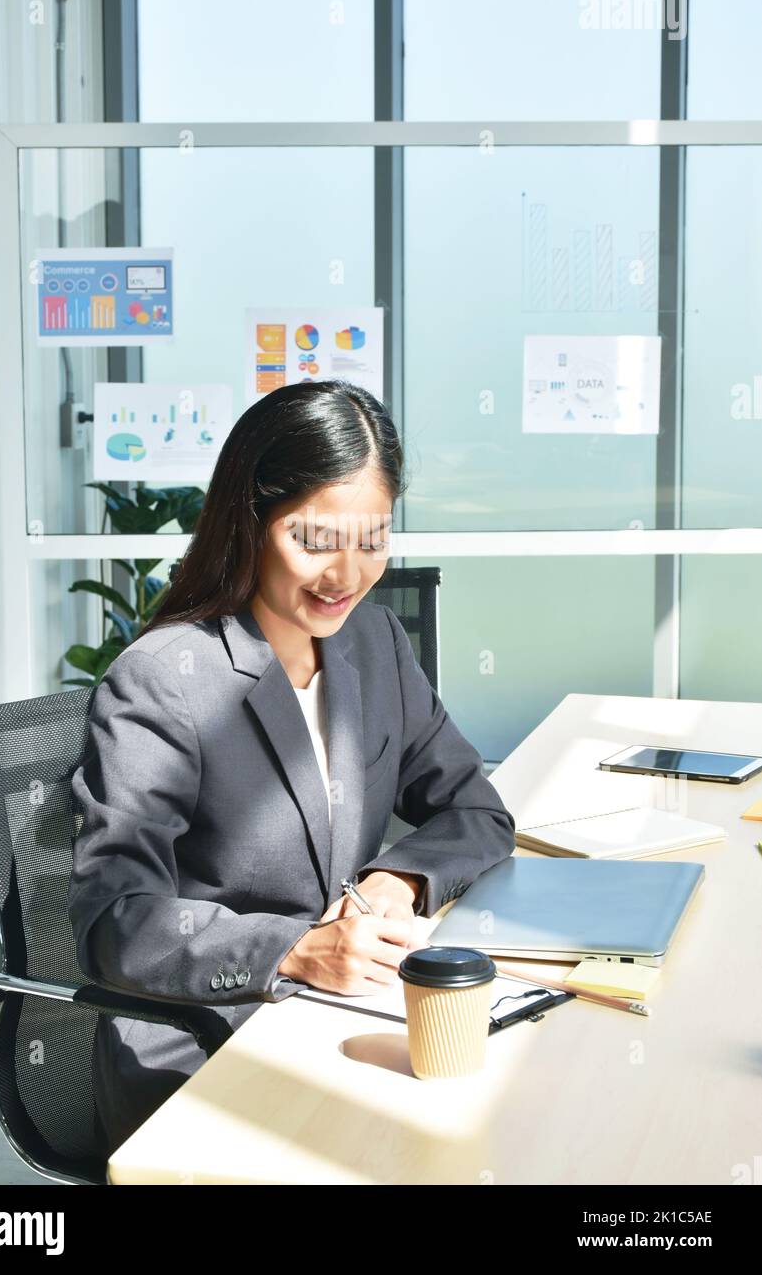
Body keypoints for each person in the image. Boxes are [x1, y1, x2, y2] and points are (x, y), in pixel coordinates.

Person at [68, 379, 516, 1155]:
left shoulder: (373, 644)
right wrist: (295, 947)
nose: (346, 575)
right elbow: (116, 920)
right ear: (248, 522)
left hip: (346, 1012)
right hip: (208, 1043)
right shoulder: (162, 679)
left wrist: (396, 880)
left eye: (372, 539)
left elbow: (476, 811)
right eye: (314, 539)